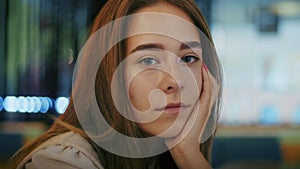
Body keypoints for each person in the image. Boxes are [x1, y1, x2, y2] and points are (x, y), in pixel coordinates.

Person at [11, 0, 223, 168]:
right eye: (149, 60)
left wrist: (189, 156)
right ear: (109, 73)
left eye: (188, 58)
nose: (175, 80)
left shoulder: (164, 153)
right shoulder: (63, 162)